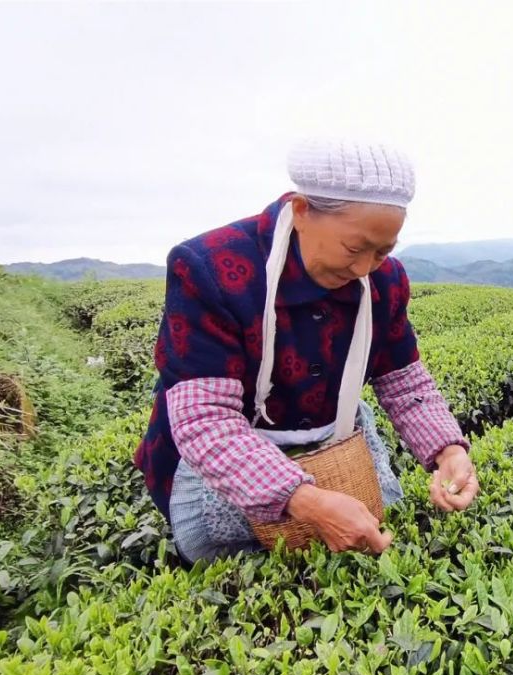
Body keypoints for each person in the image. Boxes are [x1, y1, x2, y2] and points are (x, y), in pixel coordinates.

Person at [133, 137, 479, 563]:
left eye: (383, 251)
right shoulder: (211, 268)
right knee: (242, 572)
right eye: (354, 248)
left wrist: (449, 451)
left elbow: (403, 381)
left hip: (336, 441)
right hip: (231, 459)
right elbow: (206, 420)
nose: (364, 268)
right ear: (300, 212)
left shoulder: (385, 280)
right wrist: (307, 501)